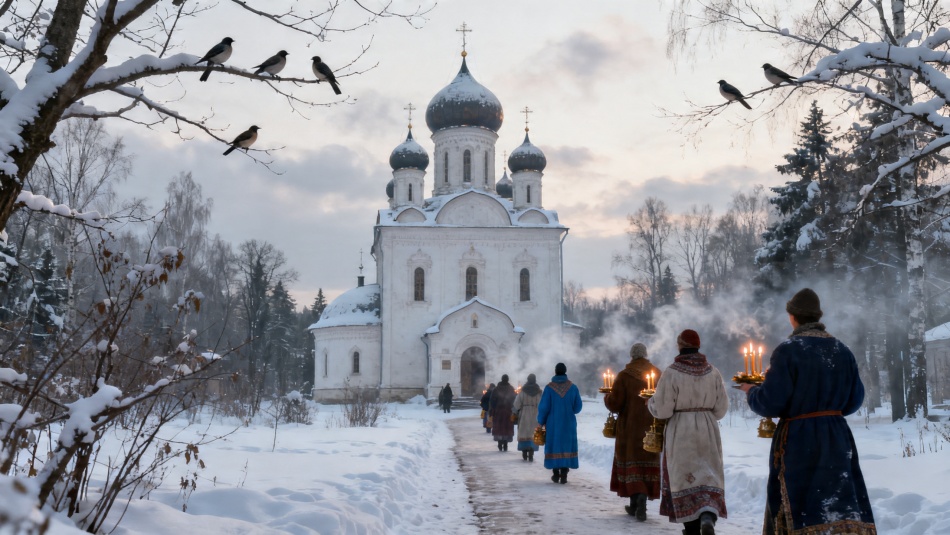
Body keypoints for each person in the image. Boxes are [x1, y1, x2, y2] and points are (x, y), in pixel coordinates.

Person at [738, 288, 876, 534]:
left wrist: (751, 391)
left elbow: (770, 403)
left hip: (799, 441)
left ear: (792, 316)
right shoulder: (842, 350)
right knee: (837, 501)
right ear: (817, 317)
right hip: (837, 438)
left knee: (800, 502)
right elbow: (855, 400)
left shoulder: (788, 350)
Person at [648, 329, 728, 535]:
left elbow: (663, 410)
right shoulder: (713, 371)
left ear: (680, 346)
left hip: (681, 429)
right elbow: (721, 409)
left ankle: (691, 528)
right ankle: (708, 515)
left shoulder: (672, 372)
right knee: (708, 475)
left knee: (685, 477)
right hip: (708, 429)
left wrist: (651, 403)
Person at [604, 342, 662, 521]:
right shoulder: (657, 374)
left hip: (629, 429)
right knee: (647, 460)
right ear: (645, 355)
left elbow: (615, 404)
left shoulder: (623, 376)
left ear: (632, 356)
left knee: (632, 463)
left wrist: (607, 396)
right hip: (651, 426)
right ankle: (642, 499)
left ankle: (636, 501)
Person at [538, 362, 582, 484]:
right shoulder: (573, 387)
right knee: (566, 446)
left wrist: (540, 422)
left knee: (555, 445)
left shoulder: (549, 388)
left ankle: (556, 473)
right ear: (565, 371)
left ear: (555, 371)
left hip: (553, 423)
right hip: (569, 423)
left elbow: (544, 408)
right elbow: (577, 408)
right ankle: (564, 472)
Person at [512, 374, 542, 461]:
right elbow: (542, 404)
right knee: (533, 432)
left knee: (524, 431)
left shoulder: (523, 391)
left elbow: (516, 404)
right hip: (535, 414)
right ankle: (531, 450)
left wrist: (514, 412)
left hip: (524, 413)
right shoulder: (539, 392)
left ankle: (524, 451)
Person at [490, 375, 517, 451]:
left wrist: (492, 409)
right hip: (508, 411)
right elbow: (515, 400)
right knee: (506, 427)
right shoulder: (511, 389)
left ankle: (500, 442)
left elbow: (492, 401)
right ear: (508, 380)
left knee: (499, 427)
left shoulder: (496, 389)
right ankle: (505, 443)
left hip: (498, 411)